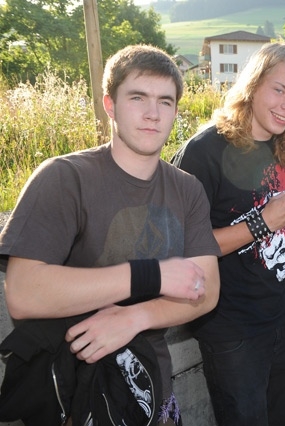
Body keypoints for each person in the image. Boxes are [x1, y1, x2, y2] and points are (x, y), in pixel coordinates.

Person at [0, 44, 221, 424]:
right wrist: (151, 275)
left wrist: (135, 317)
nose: (153, 113)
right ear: (110, 105)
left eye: (165, 102)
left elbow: (208, 291)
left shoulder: (187, 189)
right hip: (78, 398)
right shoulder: (65, 178)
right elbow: (23, 294)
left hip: (155, 395)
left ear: (176, 112)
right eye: (138, 98)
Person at [171, 42, 285, 426]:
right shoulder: (204, 151)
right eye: (279, 90)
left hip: (281, 318)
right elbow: (186, 246)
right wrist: (263, 222)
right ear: (253, 85)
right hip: (230, 330)